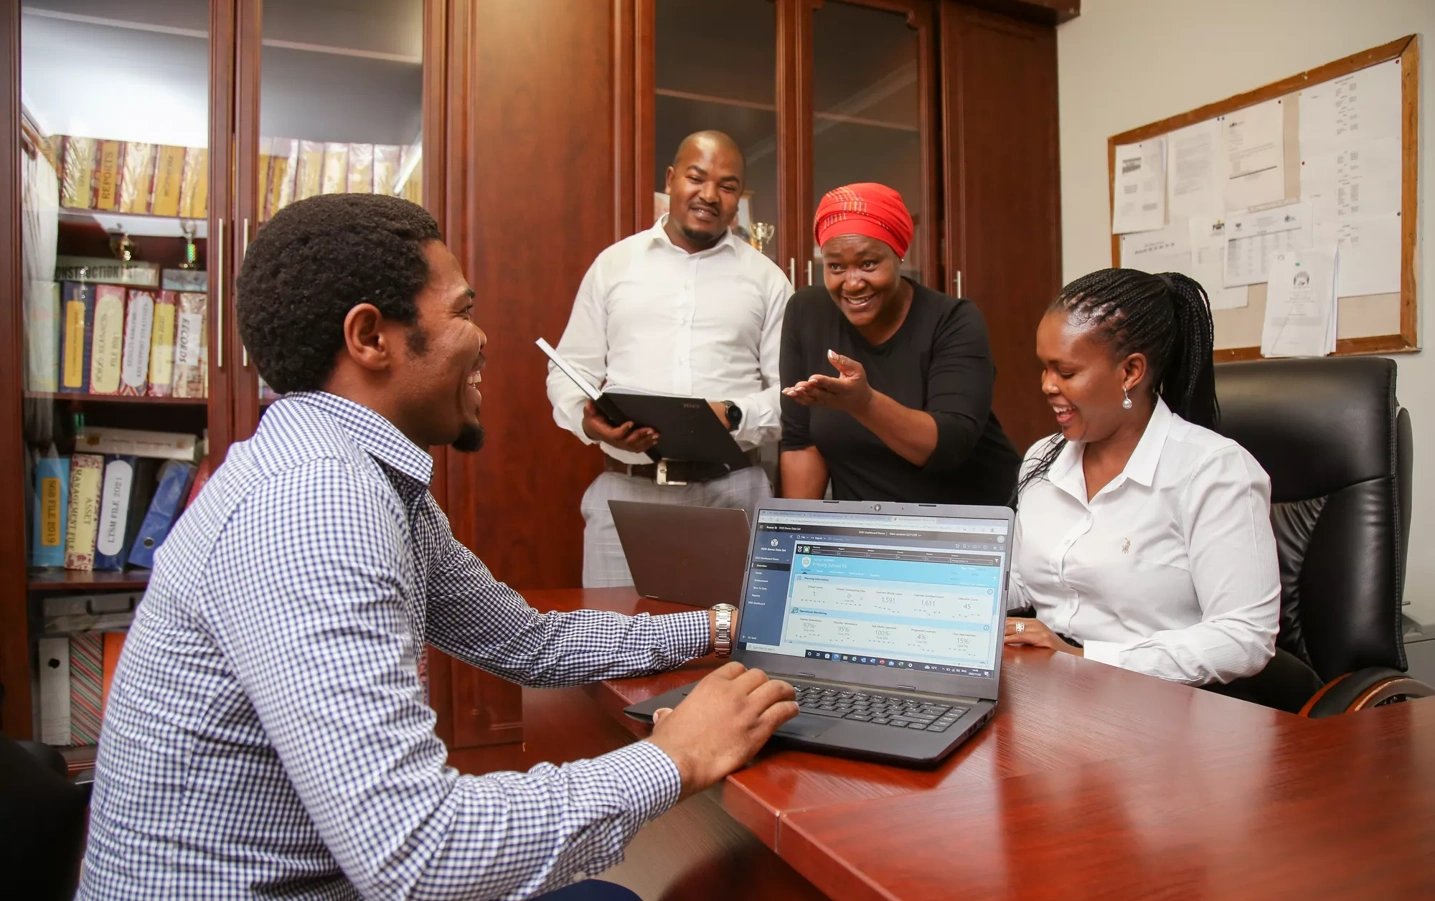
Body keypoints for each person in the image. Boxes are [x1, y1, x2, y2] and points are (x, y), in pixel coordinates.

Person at [77, 193, 797, 901]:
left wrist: (720, 628)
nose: (483, 337)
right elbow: (421, 855)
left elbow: (526, 641)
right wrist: (675, 755)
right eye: (462, 311)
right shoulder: (316, 501)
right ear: (369, 337)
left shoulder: (361, 476)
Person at [1003, 268, 1284, 694]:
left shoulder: (1212, 471)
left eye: (1066, 371)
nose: (1046, 385)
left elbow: (1244, 637)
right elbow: (1027, 578)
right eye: (1044, 368)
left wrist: (1084, 659)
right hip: (1052, 688)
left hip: (1163, 704)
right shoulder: (1044, 458)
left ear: (1130, 371)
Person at [546, 130, 792, 588]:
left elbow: (793, 395)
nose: (709, 195)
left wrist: (736, 413)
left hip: (733, 492)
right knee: (613, 641)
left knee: (731, 642)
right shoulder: (614, 266)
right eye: (696, 178)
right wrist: (586, 419)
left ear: (739, 198)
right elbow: (570, 369)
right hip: (625, 491)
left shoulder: (768, 280)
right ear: (670, 179)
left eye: (727, 185)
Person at [780, 183, 1020, 504]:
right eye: (836, 266)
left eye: (868, 264)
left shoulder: (952, 320)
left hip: (968, 522)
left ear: (898, 254)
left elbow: (950, 446)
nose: (852, 283)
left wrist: (864, 403)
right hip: (869, 526)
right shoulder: (807, 312)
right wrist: (798, 535)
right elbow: (800, 442)